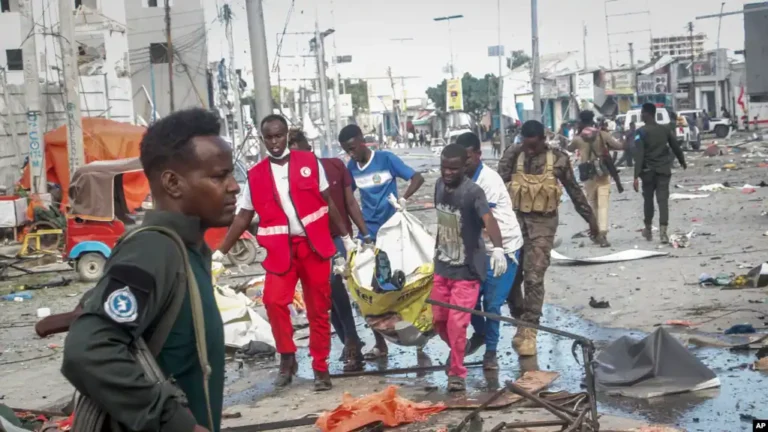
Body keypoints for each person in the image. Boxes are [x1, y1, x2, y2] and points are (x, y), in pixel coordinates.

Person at [61, 108, 239, 432]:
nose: (234, 187)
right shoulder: (154, 251)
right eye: (218, 176)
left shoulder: (189, 251)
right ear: (172, 183)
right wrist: (173, 421)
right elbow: (87, 350)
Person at [216, 114, 356, 391]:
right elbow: (244, 216)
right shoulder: (255, 175)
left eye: (279, 135)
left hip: (314, 246)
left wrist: (346, 239)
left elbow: (328, 202)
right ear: (263, 138)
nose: (275, 142)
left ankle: (320, 368)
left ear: (286, 135)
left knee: (318, 309)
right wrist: (220, 253)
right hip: (281, 252)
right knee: (273, 301)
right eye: (269, 137)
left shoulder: (309, 163)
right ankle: (287, 356)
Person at [498, 120, 598, 357]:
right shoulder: (514, 154)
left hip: (543, 224)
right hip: (514, 224)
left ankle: (530, 329)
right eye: (525, 144)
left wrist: (590, 218)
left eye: (533, 145)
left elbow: (573, 189)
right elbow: (495, 185)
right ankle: (520, 318)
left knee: (534, 276)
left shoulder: (558, 158)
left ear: (543, 139)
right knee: (511, 277)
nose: (529, 150)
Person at [338, 124, 425, 360]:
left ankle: (419, 338)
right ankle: (380, 344)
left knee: (406, 284)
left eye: (353, 148)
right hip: (370, 232)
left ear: (363, 141)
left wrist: (403, 199)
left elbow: (417, 177)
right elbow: (349, 200)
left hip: (394, 231)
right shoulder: (352, 168)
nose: (352, 154)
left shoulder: (386, 160)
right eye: (347, 151)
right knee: (367, 290)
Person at [288, 128, 370, 372]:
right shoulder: (289, 180)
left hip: (337, 238)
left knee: (334, 284)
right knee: (324, 294)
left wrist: (364, 234)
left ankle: (352, 339)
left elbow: (350, 202)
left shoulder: (334, 166)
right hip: (309, 241)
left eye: (299, 152)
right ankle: (349, 341)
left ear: (309, 149)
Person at [432, 143, 508, 391]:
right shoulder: (437, 186)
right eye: (444, 167)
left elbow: (489, 219)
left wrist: (498, 248)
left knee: (457, 324)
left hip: (467, 272)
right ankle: (457, 350)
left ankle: (456, 373)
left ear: (464, 166)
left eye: (453, 169)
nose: (447, 173)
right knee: (439, 321)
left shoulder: (473, 192)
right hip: (442, 267)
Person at [457, 132, 523, 370]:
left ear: (477, 155)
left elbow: (484, 220)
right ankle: (482, 333)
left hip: (503, 246)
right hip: (479, 247)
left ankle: (491, 352)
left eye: (467, 158)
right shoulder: (460, 179)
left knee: (492, 303)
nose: (463, 164)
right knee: (469, 299)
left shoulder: (488, 180)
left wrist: (497, 249)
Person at [568, 110, 624, 247]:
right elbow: (619, 146)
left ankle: (596, 232)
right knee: (603, 203)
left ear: (581, 121)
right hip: (603, 172)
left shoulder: (578, 138)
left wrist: (576, 134)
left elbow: (569, 148)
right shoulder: (602, 134)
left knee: (593, 203)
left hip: (588, 175)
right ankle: (603, 232)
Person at [633, 103, 687, 244]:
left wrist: (635, 175)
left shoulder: (640, 132)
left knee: (648, 200)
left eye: (642, 113)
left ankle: (648, 229)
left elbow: (639, 154)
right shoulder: (664, 130)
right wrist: (682, 161)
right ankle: (663, 233)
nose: (641, 115)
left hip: (648, 172)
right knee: (663, 201)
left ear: (648, 114)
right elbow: (675, 146)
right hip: (663, 170)